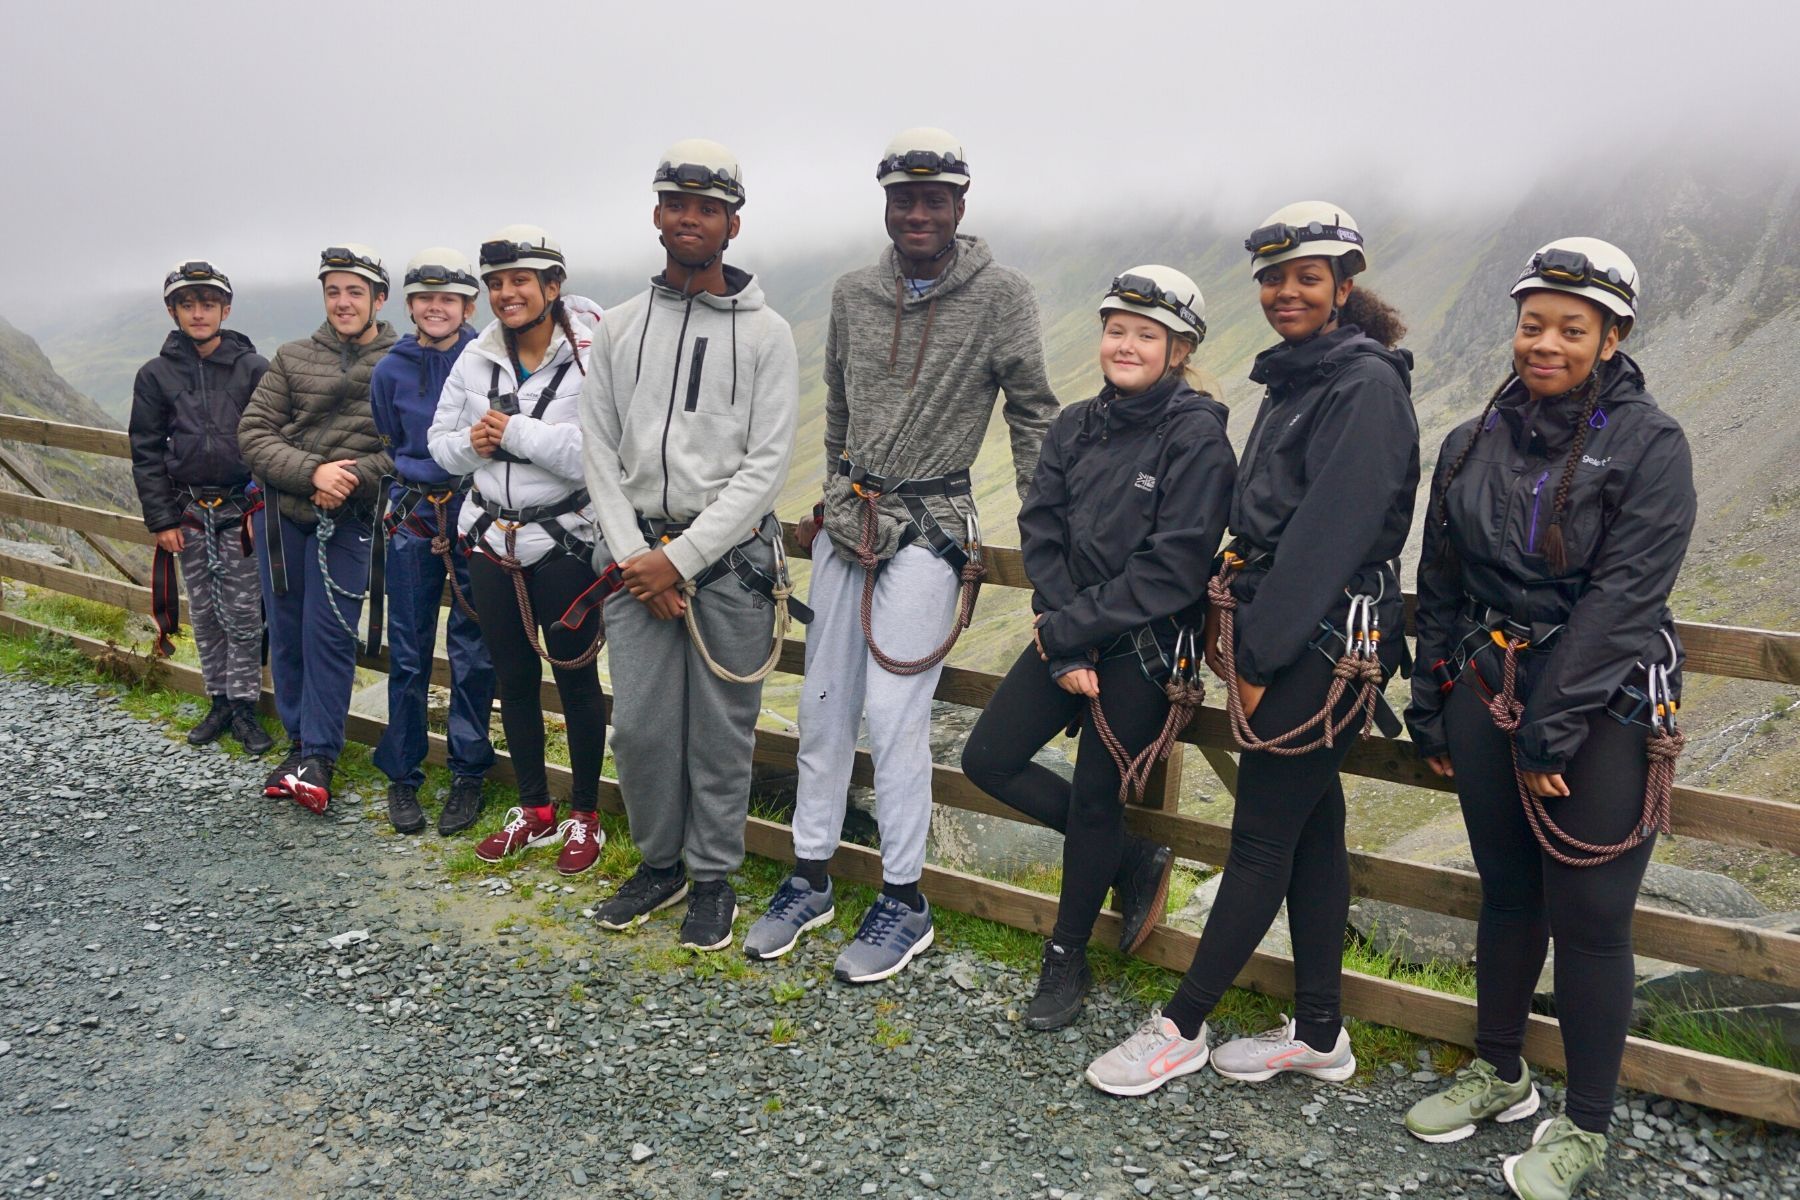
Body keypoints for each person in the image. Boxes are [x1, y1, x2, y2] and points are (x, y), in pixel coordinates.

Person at [1086, 202, 1418, 1095]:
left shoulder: (1363, 386)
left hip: (1316, 632)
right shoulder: (1303, 377)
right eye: (1273, 277)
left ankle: (1180, 1025)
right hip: (1288, 621)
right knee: (1313, 832)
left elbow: (1331, 534)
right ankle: (1319, 1034)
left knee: (1263, 835)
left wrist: (1262, 661)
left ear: (1344, 286)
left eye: (1307, 276)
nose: (1284, 292)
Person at [1403, 239, 1693, 1200]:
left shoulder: (1652, 446)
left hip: (1598, 708)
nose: (1547, 343)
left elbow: (1626, 599)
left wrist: (1546, 734)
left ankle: (1587, 1127)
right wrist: (1431, 701)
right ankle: (1501, 1070)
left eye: (1574, 328)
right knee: (1508, 892)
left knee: (1595, 918)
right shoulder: (1472, 439)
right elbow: (1439, 577)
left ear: (1613, 338)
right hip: (1487, 685)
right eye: (1534, 324)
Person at [745, 126, 1059, 982]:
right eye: (903, 198)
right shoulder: (852, 293)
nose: (917, 212)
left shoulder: (1001, 297)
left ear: (960, 204)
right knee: (823, 709)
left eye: (934, 198)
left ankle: (904, 899)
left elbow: (1032, 411)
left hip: (931, 526)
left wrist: (1046, 532)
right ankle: (809, 877)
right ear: (886, 203)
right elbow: (840, 402)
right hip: (853, 521)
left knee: (893, 718)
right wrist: (837, 484)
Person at [960, 266, 1235, 1029]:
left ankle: (1066, 955)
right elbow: (1041, 525)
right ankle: (1128, 859)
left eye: (1147, 334)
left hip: (1144, 649)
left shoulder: (1198, 435)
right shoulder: (1076, 423)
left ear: (1179, 349)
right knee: (988, 758)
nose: (1127, 344)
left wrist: (1070, 632)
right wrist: (1059, 632)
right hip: (1071, 631)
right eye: (1117, 329)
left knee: (1092, 798)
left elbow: (1174, 565)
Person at [580, 139, 800, 952]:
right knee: (638, 727)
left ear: (731, 223)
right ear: (656, 213)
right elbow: (598, 447)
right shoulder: (620, 328)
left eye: (707, 207)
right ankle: (660, 864)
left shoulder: (768, 334)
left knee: (719, 731)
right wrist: (640, 557)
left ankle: (712, 877)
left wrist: (680, 560)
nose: (689, 219)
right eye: (676, 203)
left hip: (728, 565)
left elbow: (765, 464)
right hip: (634, 564)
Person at [428, 225, 607, 876]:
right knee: (513, 679)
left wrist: (515, 433)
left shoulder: (592, 357)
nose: (506, 293)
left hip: (563, 541)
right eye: (496, 283)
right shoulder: (476, 357)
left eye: (520, 281)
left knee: (577, 681)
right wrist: (474, 445)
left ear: (552, 287)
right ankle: (536, 810)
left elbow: (597, 456)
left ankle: (585, 816)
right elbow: (438, 444)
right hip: (491, 541)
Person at [239, 245, 397, 813]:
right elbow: (254, 433)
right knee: (285, 633)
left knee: (328, 636)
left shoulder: (399, 362)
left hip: (349, 523)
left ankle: (320, 755)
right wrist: (313, 473)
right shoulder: (292, 356)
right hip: (285, 521)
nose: (343, 301)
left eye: (356, 292)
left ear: (379, 299)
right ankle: (299, 744)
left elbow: (406, 448)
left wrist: (348, 479)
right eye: (334, 291)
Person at [368, 249, 497, 836]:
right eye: (424, 298)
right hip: (416, 513)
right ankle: (404, 774)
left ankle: (468, 773)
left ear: (468, 305)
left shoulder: (487, 361)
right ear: (410, 305)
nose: (435, 307)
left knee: (474, 647)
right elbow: (390, 434)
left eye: (448, 299)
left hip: (475, 511)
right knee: (410, 647)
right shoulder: (390, 370)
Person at [129, 261, 274, 755]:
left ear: (225, 309)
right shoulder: (155, 375)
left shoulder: (254, 368)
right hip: (190, 513)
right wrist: (162, 519)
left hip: (242, 513)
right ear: (172, 311)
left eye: (207, 303)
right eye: (187, 304)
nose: (198, 313)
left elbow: (275, 434)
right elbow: (146, 449)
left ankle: (245, 707)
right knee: (207, 613)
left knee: (245, 615)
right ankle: (218, 701)